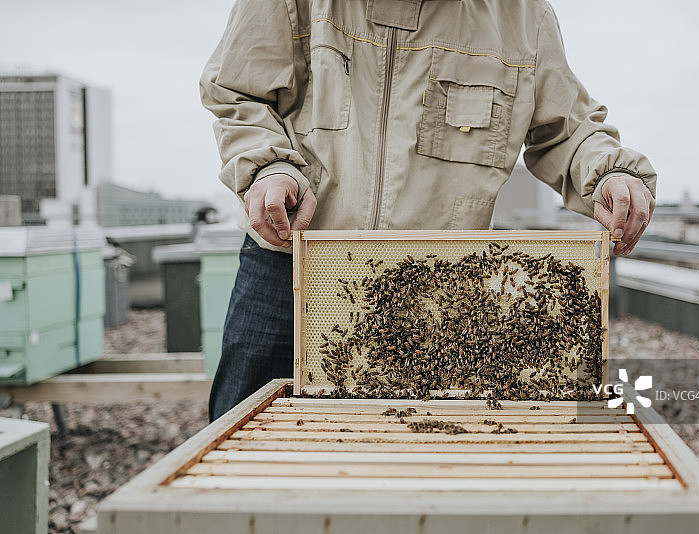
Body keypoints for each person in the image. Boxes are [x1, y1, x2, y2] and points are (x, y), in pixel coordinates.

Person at [200, 0, 657, 420]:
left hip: (438, 288)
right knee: (241, 439)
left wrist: (612, 173)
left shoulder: (522, 15)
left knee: (424, 446)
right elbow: (240, 93)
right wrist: (270, 168)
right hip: (290, 267)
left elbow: (567, 130)